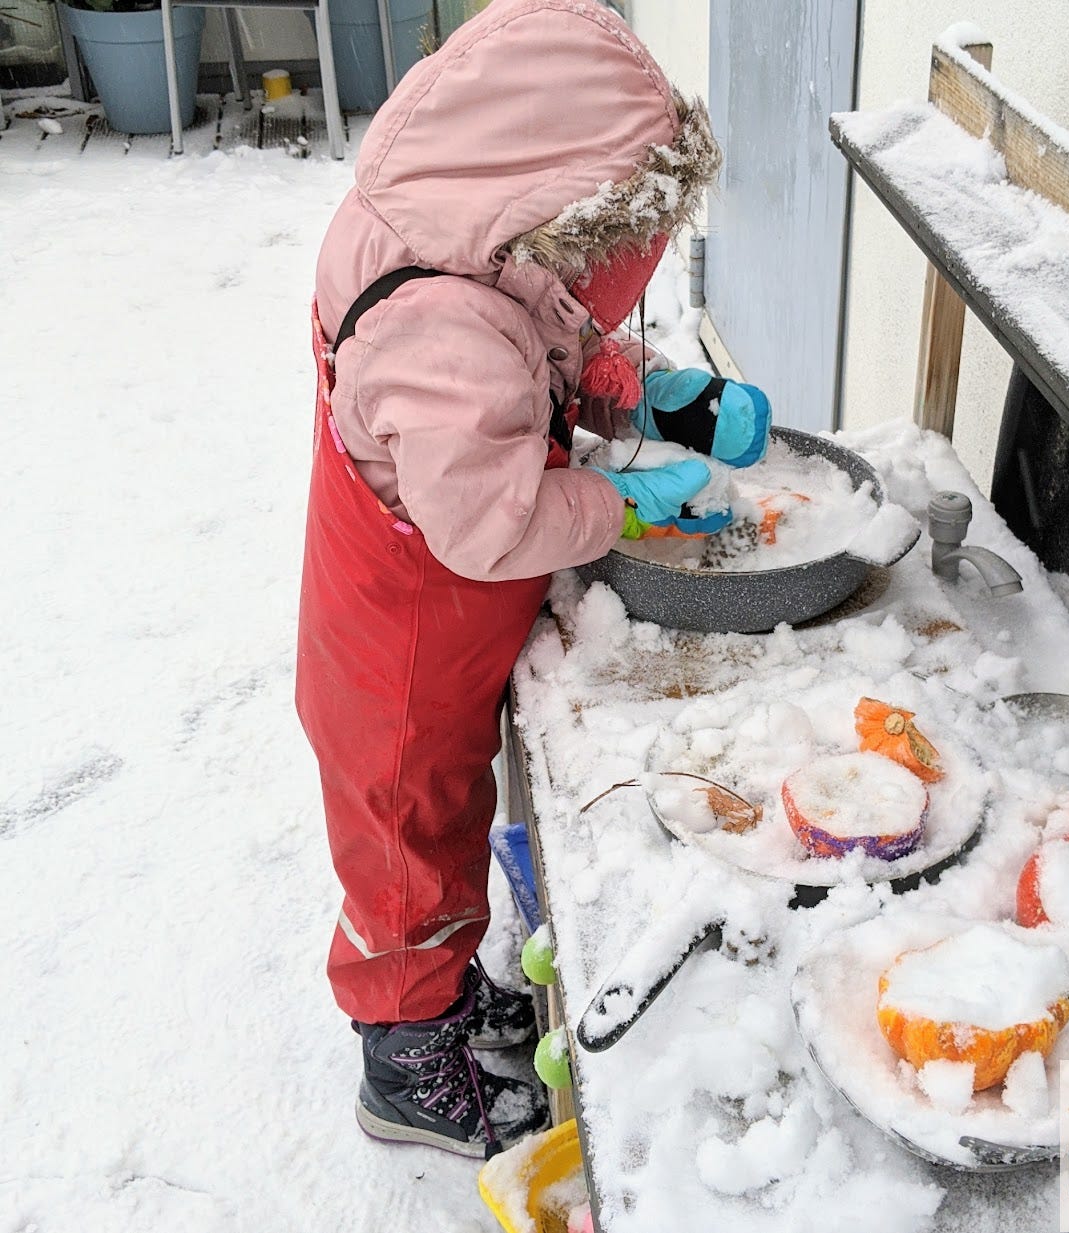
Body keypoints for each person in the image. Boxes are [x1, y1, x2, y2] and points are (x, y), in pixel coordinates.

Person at [297, 0, 771, 1160]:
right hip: (402, 659)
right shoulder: (438, 324)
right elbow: (491, 517)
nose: (612, 271)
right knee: (411, 861)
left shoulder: (459, 228)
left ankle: (446, 1002)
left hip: (420, 637)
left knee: (449, 828)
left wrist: (647, 392)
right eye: (610, 241)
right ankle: (407, 1064)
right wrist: (628, 501)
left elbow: (535, 336)